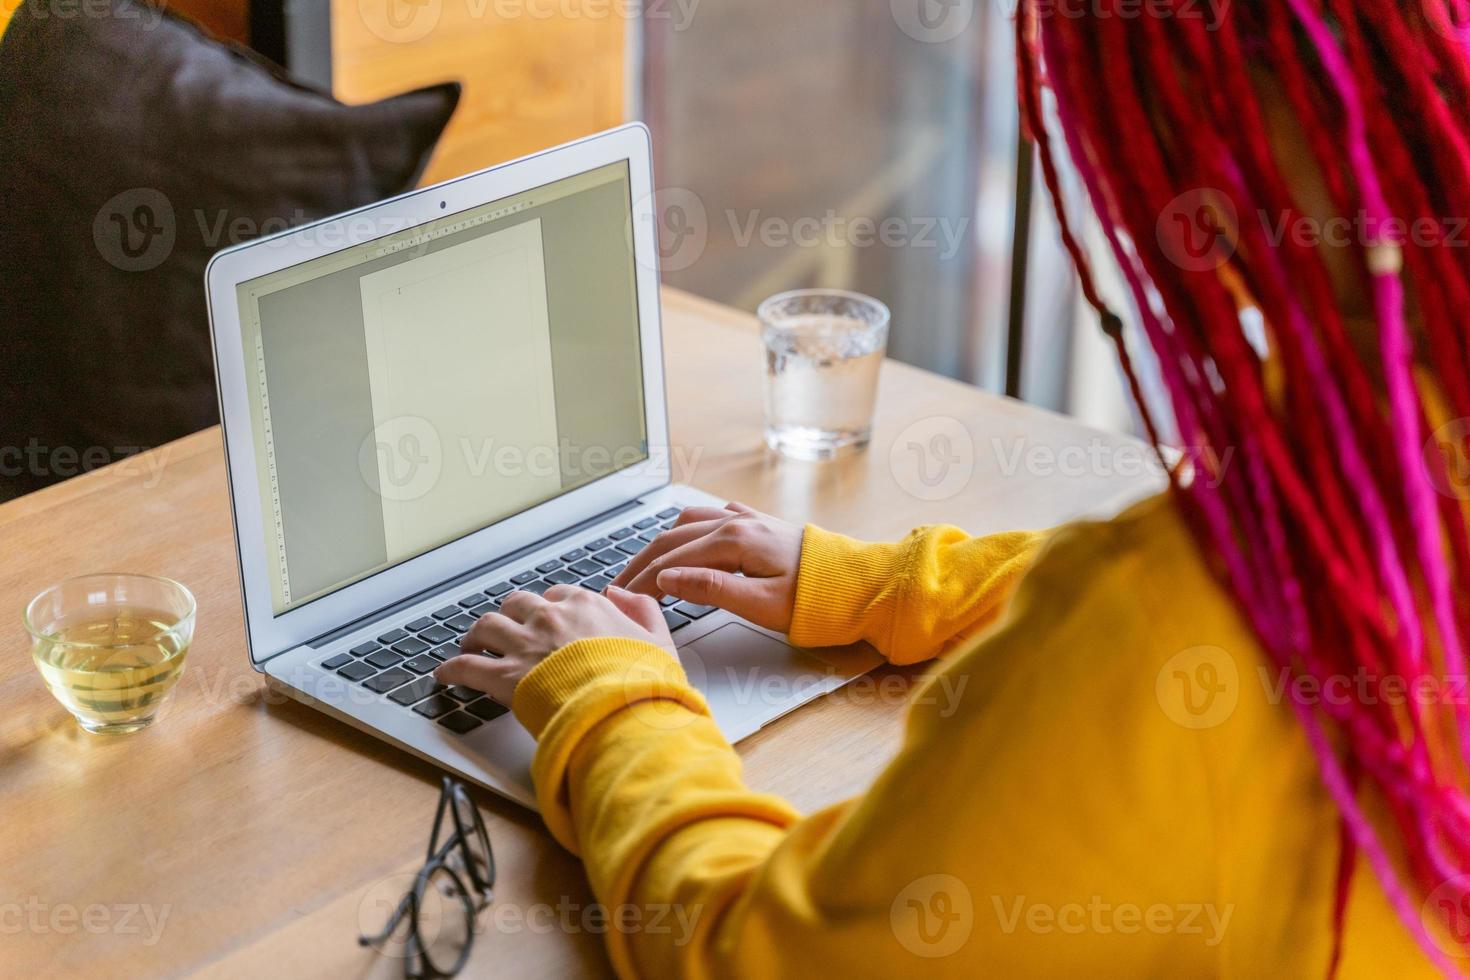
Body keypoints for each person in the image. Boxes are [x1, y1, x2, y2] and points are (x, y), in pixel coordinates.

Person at [435, 2, 1470, 975]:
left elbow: (754, 955)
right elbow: (1316, 565)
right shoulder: (1392, 465)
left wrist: (613, 699)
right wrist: (888, 585)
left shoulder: (1162, 620)